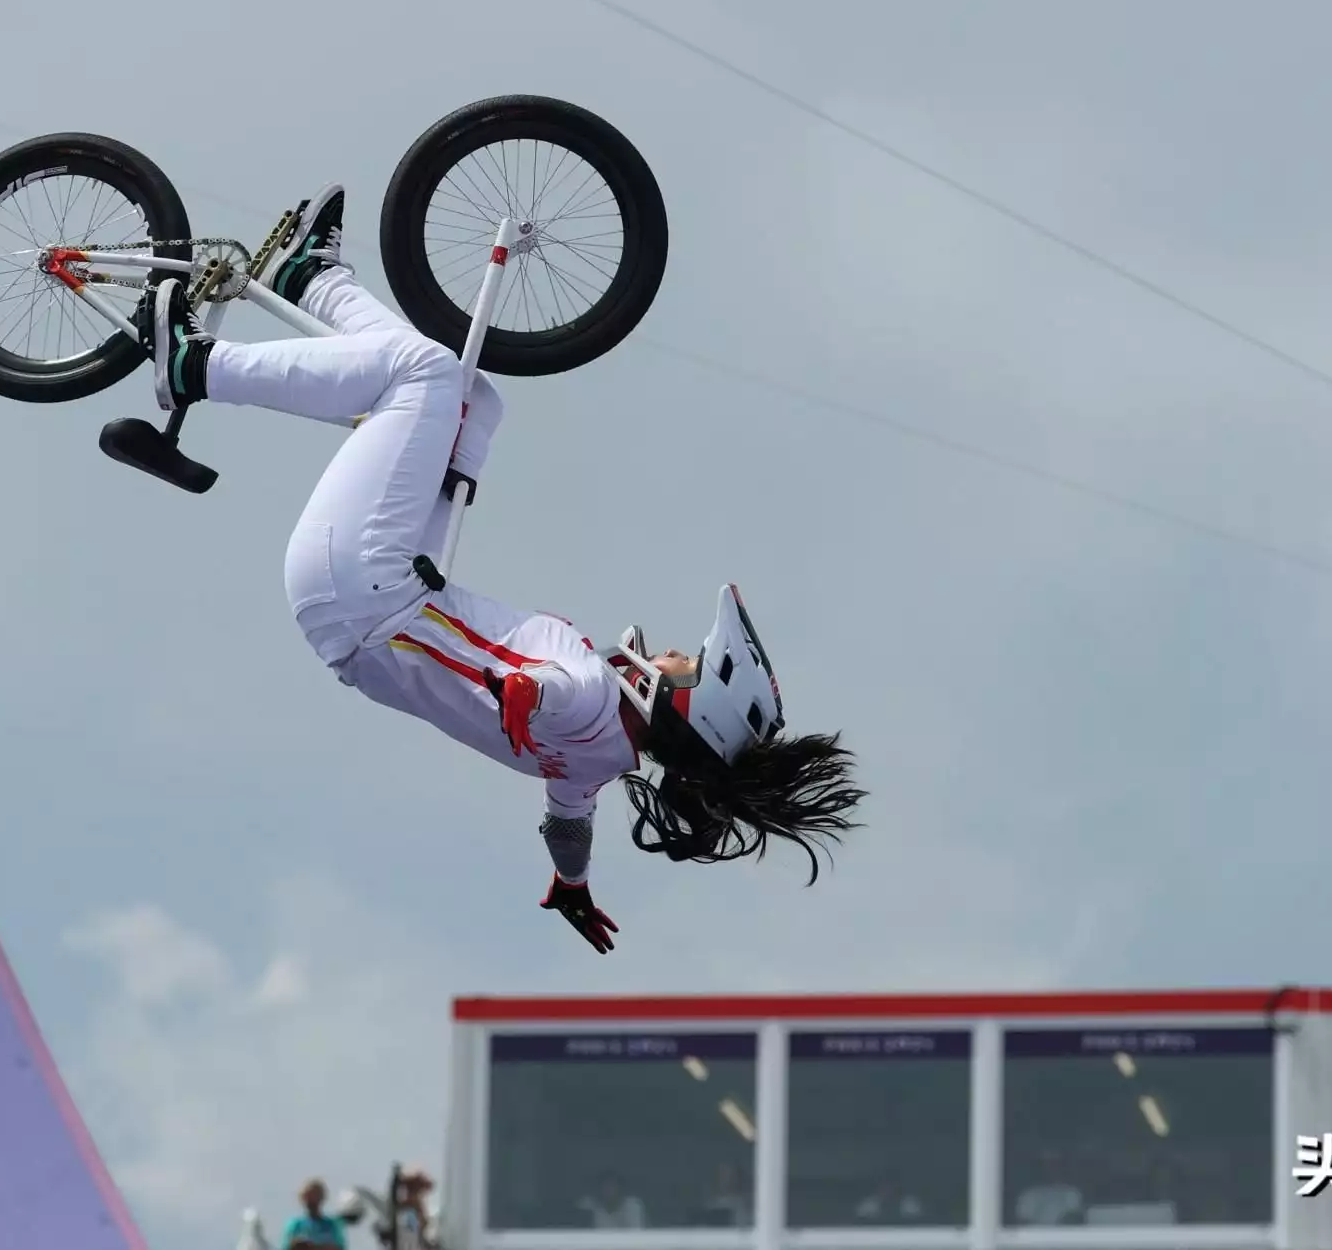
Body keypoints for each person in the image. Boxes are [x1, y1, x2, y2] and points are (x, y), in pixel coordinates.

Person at [134, 182, 865, 952]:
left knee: (421, 375)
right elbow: (566, 825)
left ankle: (193, 365)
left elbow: (538, 692)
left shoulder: (583, 698)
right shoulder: (597, 759)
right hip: (375, 606)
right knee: (472, 400)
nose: (680, 653)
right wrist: (573, 885)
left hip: (363, 588)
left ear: (687, 705)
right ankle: (308, 280)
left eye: (693, 664)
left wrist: (517, 691)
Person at [284, 1180, 348, 1250]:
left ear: (321, 1197)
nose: (311, 1200)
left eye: (314, 1195)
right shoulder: (296, 1225)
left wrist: (312, 1247)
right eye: (307, 1197)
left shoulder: (332, 1225)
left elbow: (339, 1247)